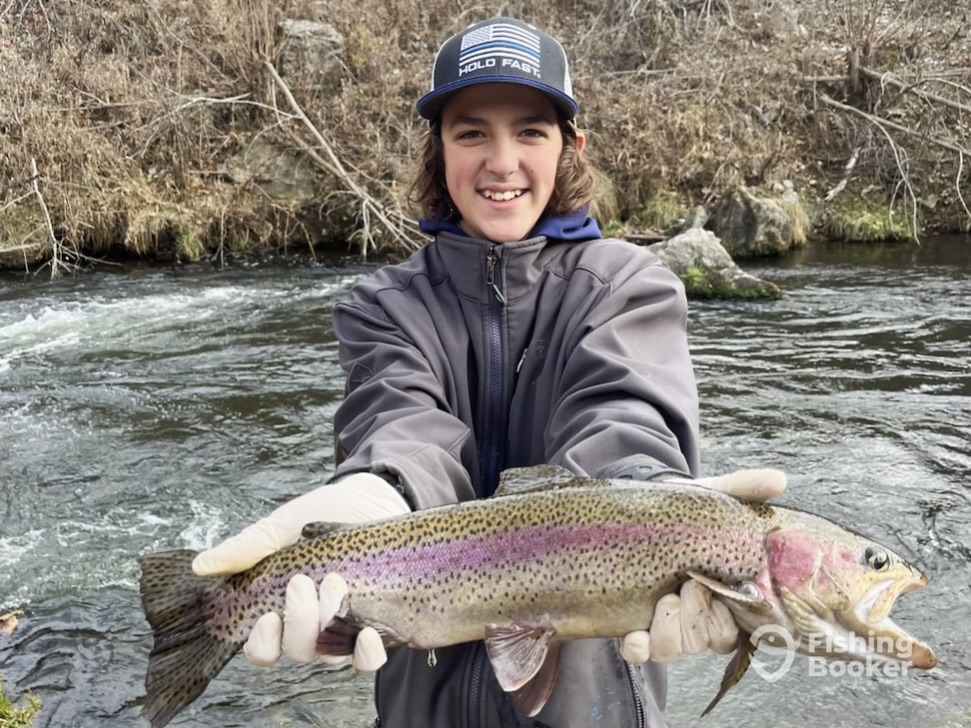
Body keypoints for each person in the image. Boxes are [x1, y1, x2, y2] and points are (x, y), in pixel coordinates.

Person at [192, 16, 786, 728]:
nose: (501, 162)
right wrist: (377, 491)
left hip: (591, 703)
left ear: (569, 148)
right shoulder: (385, 304)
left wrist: (655, 504)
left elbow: (623, 416)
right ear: (438, 151)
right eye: (471, 132)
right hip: (420, 695)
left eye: (530, 132)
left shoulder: (629, 284)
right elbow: (399, 421)